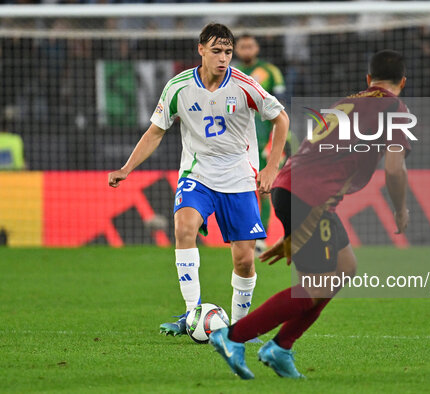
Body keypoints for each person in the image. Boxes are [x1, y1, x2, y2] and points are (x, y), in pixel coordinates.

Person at [209, 50, 411, 379]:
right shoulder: (394, 108)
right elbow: (394, 166)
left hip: (292, 187)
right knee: (316, 285)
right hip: (308, 198)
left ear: (368, 80)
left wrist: (295, 230)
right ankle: (232, 337)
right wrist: (401, 208)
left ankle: (280, 348)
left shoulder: (348, 102)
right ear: (403, 82)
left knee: (344, 267)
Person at [107, 23, 289, 337]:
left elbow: (281, 118)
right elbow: (156, 131)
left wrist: (271, 167)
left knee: (245, 259)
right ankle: (193, 313)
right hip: (198, 173)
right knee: (184, 227)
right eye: (217, 51)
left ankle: (239, 326)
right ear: (201, 49)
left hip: (239, 177)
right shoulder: (178, 87)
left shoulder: (245, 85)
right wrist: (127, 168)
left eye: (228, 52)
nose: (223, 58)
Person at [234, 34, 286, 255]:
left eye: (250, 45)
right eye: (242, 45)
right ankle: (241, 233)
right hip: (235, 139)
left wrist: (277, 141)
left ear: (257, 48)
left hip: (263, 138)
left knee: (264, 188)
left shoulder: (270, 71)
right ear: (236, 49)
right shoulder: (229, 72)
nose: (246, 49)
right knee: (237, 188)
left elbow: (283, 109)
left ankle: (261, 235)